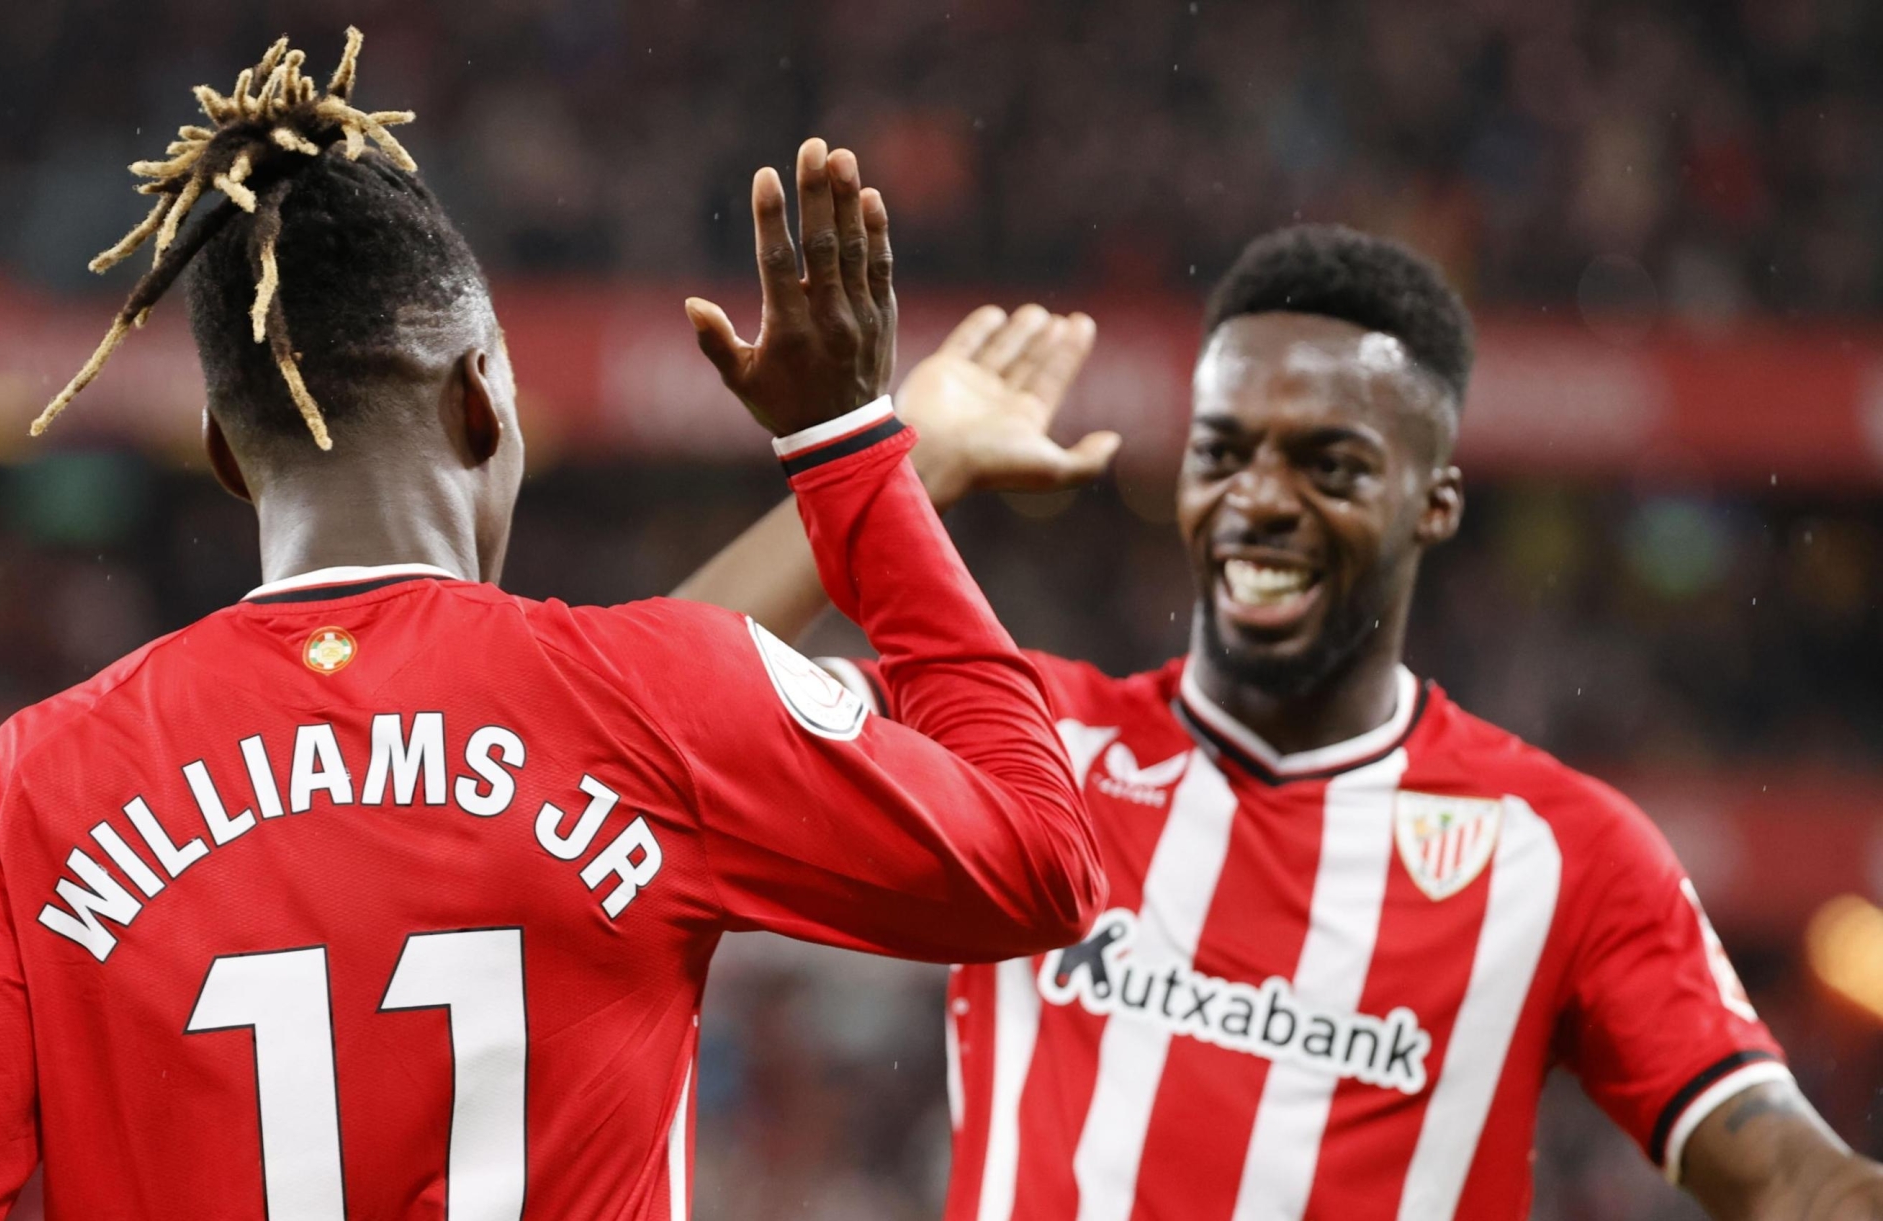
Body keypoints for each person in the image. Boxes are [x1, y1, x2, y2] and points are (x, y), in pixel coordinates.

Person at [0, 32, 1106, 1221]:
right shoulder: (651, 701)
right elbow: (1045, 858)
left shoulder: (30, 795)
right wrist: (855, 451)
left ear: (229, 457)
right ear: (484, 401)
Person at [678, 224, 1883, 1220]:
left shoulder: (1561, 850)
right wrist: (900, 468)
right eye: (1224, 452)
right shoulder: (1024, 736)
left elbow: (1779, 1169)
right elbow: (640, 710)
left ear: (1438, 501)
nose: (1260, 499)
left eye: (1330, 465)